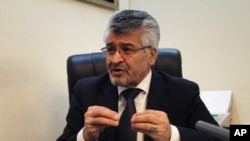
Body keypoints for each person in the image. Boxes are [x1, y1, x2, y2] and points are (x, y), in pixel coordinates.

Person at [57, 10, 220, 141]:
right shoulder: (86, 91)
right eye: (110, 49)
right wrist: (85, 136)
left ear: (152, 55)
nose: (115, 59)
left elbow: (217, 138)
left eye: (127, 49)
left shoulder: (183, 92)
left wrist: (172, 135)